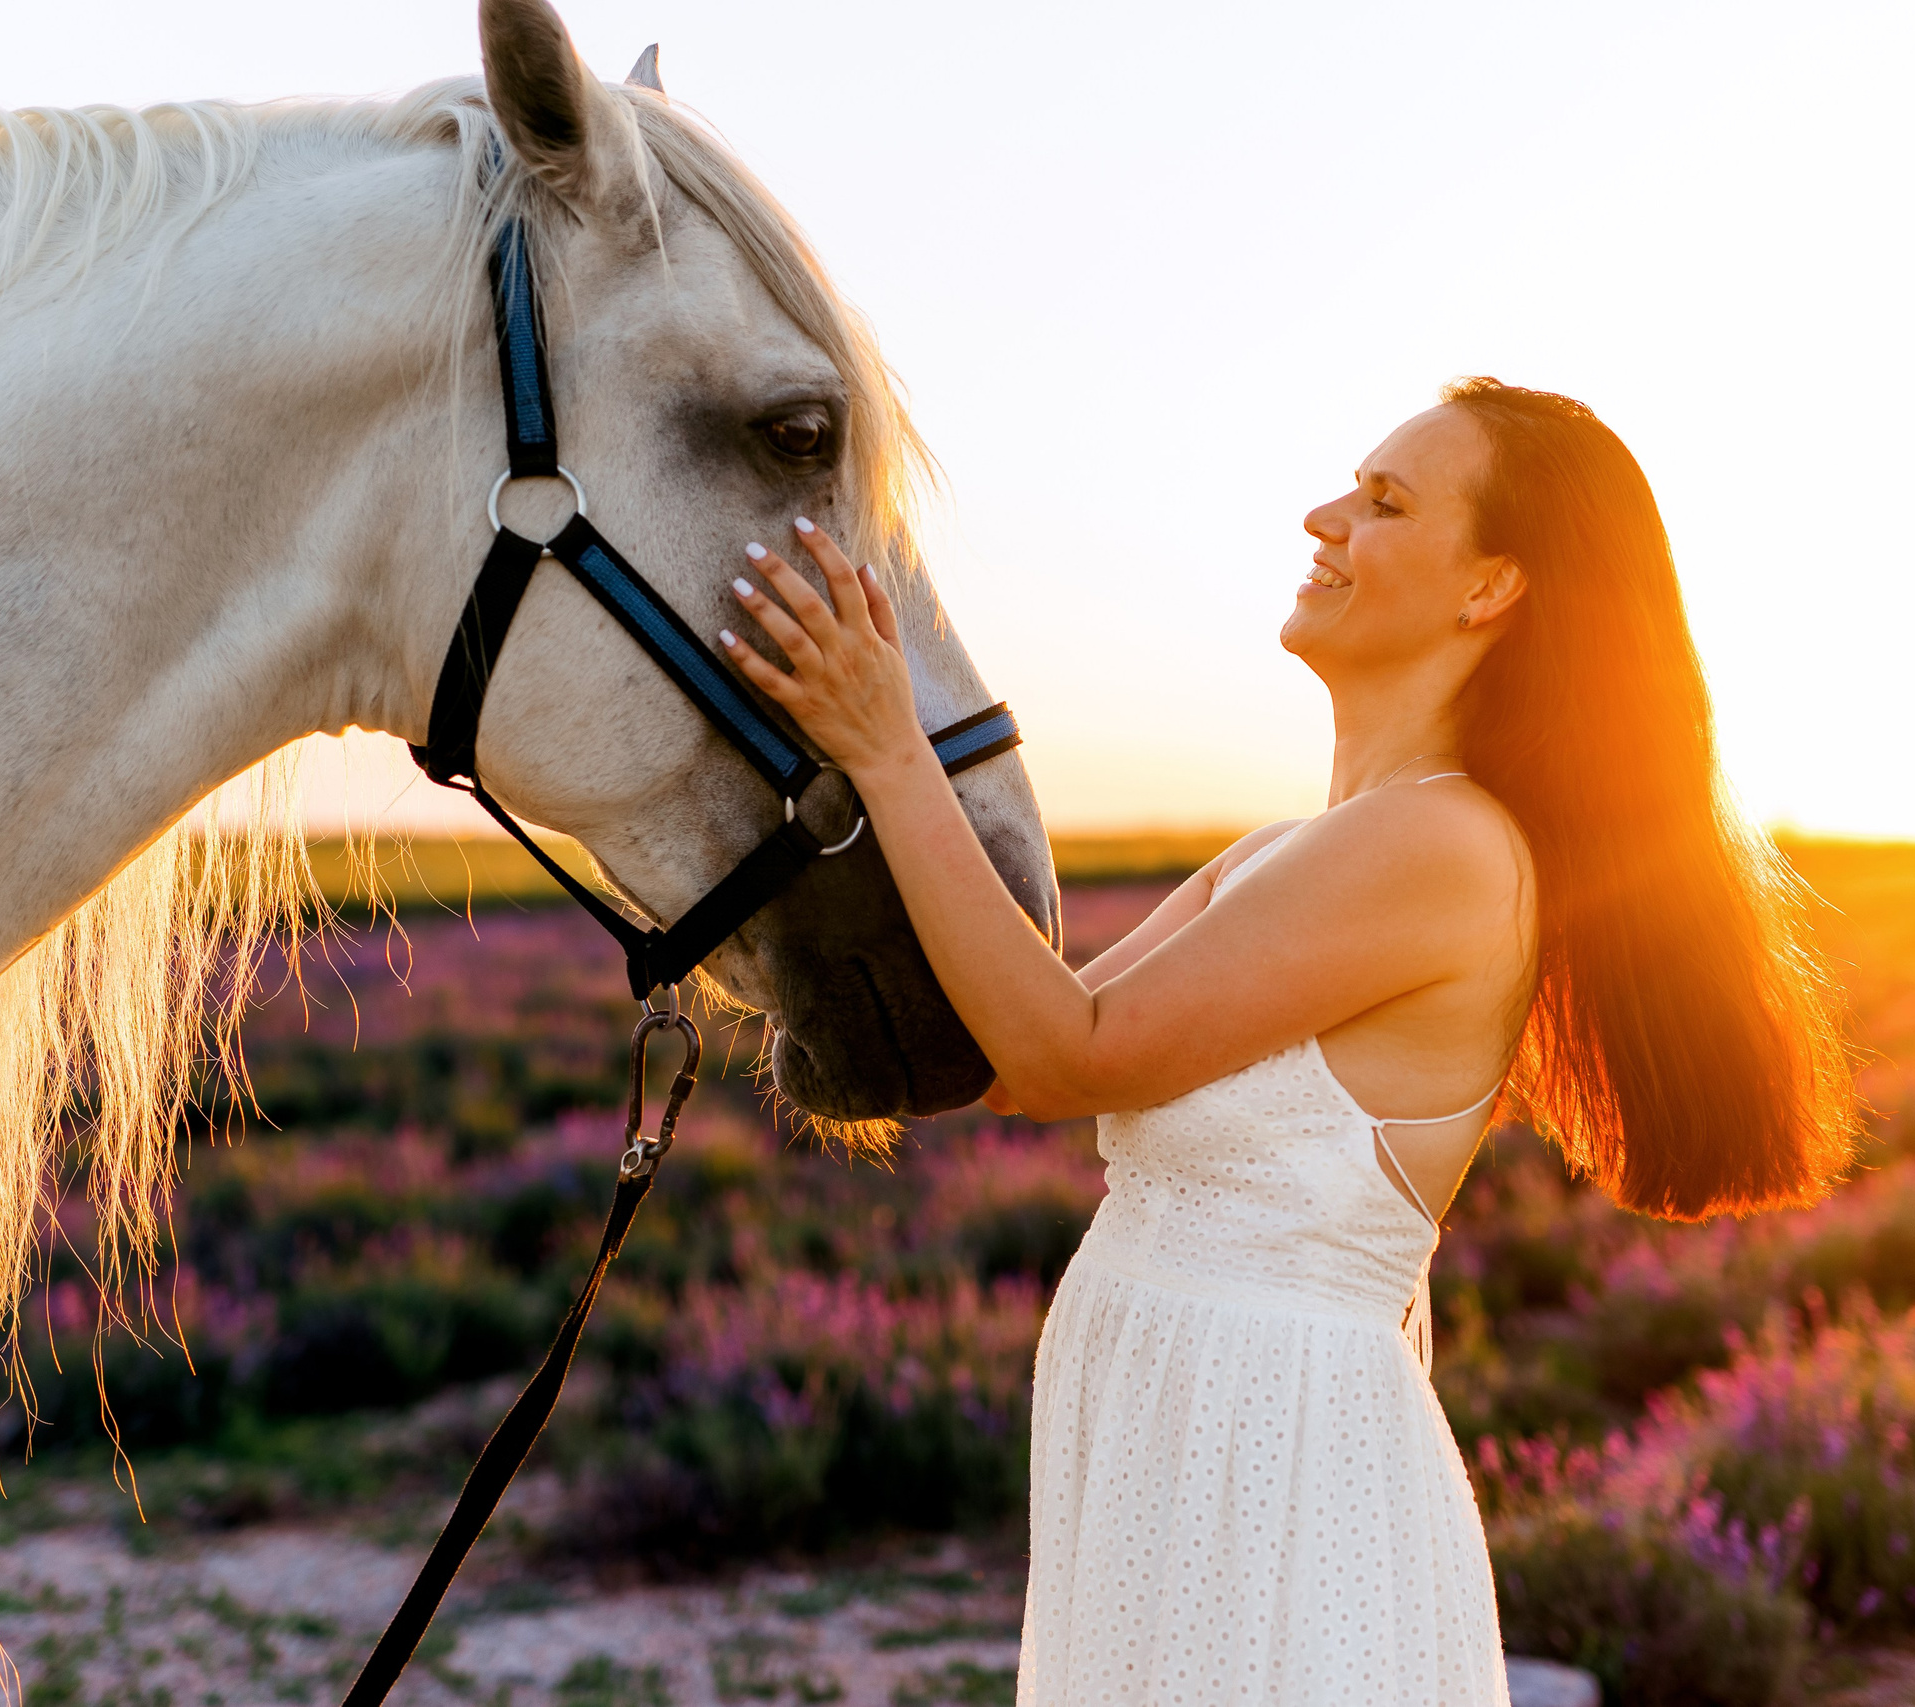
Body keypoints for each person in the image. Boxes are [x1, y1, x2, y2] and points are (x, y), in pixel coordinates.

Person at [717, 377, 1854, 1706]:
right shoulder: (1295, 851)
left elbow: (1066, 1055)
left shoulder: (1442, 844)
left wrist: (891, 748)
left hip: (1273, 1449)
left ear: (1491, 589)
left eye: (1385, 503)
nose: (1326, 516)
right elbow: (1017, 1040)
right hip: (1180, 1422)